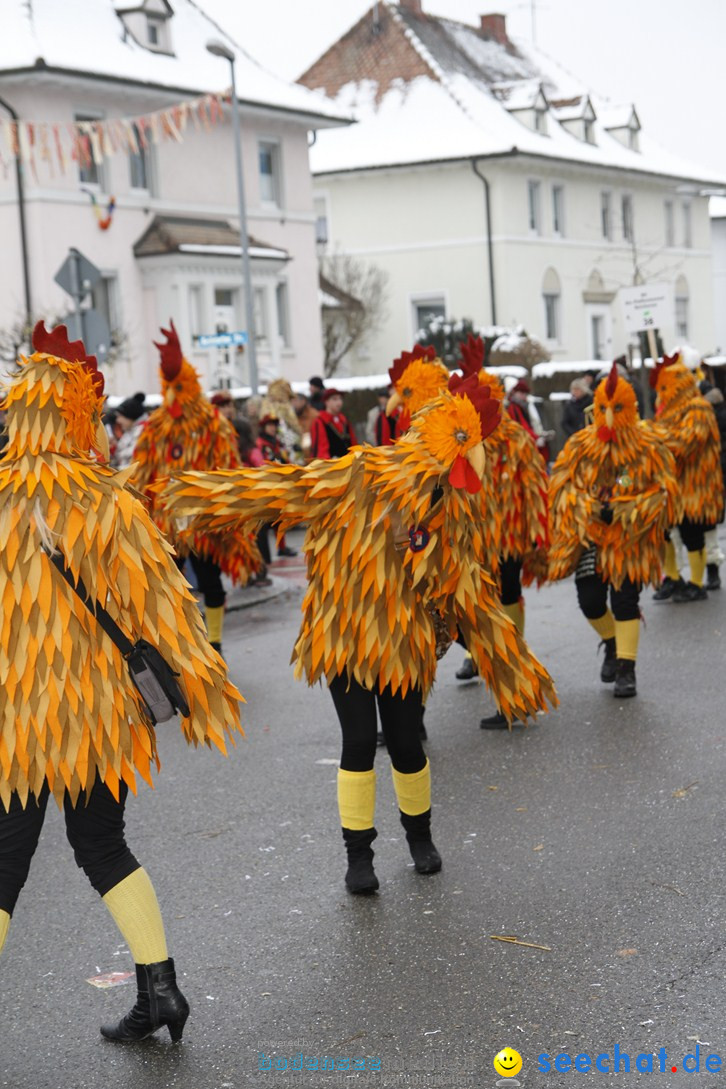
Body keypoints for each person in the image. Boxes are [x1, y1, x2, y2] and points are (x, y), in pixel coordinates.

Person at [161, 384, 556, 895]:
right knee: (357, 743)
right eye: (462, 439)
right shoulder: (358, 471)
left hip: (405, 644)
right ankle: (359, 855)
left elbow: (464, 586)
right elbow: (282, 486)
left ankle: (420, 838)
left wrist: (502, 659)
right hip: (346, 635)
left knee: (407, 743)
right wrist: (192, 495)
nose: (470, 453)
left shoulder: (453, 506)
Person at [0, 321, 243, 1043]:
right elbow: (166, 608)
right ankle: (161, 990)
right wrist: (202, 692)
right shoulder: (111, 499)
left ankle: (159, 995)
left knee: (6, 859)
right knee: (104, 845)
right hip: (102, 715)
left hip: (20, 719)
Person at [549, 363, 680, 698]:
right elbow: (561, 484)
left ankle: (626, 669)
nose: (608, 417)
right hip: (591, 535)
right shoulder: (580, 444)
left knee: (625, 602)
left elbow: (665, 488)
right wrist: (586, 506)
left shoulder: (648, 445)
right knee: (590, 600)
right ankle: (611, 642)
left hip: (628, 539)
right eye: (603, 409)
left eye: (616, 409)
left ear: (630, 409)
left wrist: (632, 508)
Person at [132, 321, 263, 653]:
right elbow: (144, 473)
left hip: (203, 522)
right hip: (168, 524)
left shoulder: (212, 423)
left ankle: (214, 642)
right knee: (171, 587)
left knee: (210, 584)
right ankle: (184, 644)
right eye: (169, 385)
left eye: (179, 385)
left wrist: (227, 511)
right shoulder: (156, 427)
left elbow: (227, 470)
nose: (173, 393)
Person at [647, 353, 724, 603]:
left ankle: (697, 582)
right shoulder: (668, 410)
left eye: (665, 387)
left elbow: (685, 443)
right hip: (671, 485)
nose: (662, 393)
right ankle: (673, 577)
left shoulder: (698, 408)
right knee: (666, 531)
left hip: (693, 485)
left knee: (693, 533)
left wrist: (654, 435)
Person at [256, 415, 297, 562]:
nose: (273, 427)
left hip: (279, 483)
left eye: (274, 425)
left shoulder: (277, 442)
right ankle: (263, 555)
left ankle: (282, 547)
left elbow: (284, 459)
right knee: (266, 522)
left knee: (280, 517)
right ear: (264, 427)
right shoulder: (260, 443)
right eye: (270, 425)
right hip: (267, 486)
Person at [703, 386, 726, 590]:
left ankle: (712, 572)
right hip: (700, 483)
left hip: (711, 481)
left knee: (709, 529)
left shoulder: (716, 419)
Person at [507, 379, 554, 464]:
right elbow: (522, 426)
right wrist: (536, 438)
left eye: (525, 394)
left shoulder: (521, 406)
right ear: (515, 393)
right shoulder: (514, 407)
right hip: (520, 443)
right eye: (522, 394)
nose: (524, 397)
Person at [309, 388, 358, 459]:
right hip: (332, 465)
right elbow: (321, 449)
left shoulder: (344, 420)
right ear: (326, 402)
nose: (339, 402)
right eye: (334, 399)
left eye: (340, 399)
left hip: (349, 463)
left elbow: (353, 442)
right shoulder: (320, 421)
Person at [110, 391, 147, 469]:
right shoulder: (130, 431)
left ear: (130, 416)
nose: (118, 420)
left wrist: (114, 471)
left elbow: (137, 465)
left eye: (120, 416)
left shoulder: (144, 433)